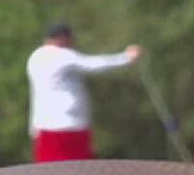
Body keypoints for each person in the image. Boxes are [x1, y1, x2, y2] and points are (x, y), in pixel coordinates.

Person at [25, 22, 140, 162]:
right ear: (63, 38)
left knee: (49, 174)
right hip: (69, 126)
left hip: (44, 127)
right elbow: (94, 64)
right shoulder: (62, 55)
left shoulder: (35, 57)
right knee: (79, 173)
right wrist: (126, 57)